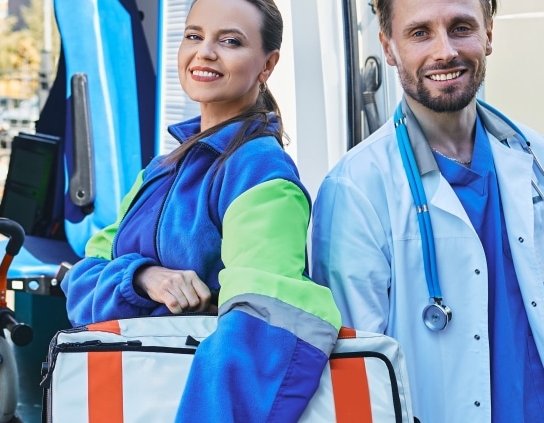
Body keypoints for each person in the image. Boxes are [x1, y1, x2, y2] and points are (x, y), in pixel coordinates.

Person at [60, 0, 341, 420]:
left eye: (230, 41)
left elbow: (263, 331)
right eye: (194, 36)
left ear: (267, 65)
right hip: (130, 396)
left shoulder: (260, 173)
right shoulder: (159, 170)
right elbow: (82, 285)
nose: (205, 52)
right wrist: (142, 278)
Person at [309, 0, 544, 421]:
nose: (445, 51)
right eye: (420, 33)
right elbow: (355, 365)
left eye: (461, 28)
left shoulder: (531, 154)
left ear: (489, 33)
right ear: (388, 47)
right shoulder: (357, 186)